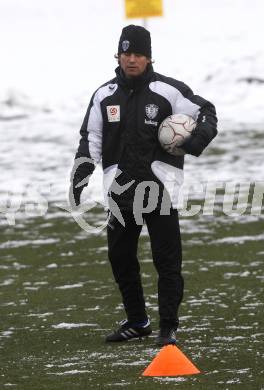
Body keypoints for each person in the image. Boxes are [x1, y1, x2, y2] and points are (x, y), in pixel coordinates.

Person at [70, 25, 218, 346]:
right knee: (120, 258)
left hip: (160, 190)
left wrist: (196, 141)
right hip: (120, 192)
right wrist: (80, 177)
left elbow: (206, 112)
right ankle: (137, 321)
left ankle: (168, 328)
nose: (132, 60)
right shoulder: (104, 95)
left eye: (138, 54)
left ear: (149, 58)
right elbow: (91, 139)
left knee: (167, 262)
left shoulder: (169, 91)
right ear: (118, 56)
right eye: (126, 53)